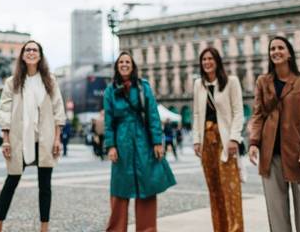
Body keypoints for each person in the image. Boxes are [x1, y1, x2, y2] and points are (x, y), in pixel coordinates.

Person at [249, 36, 300, 232]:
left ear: (289, 53)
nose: (276, 51)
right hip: (271, 154)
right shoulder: (263, 82)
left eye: (281, 48)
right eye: (272, 49)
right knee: (277, 212)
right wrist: (254, 142)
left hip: (299, 153)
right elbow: (257, 114)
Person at [0, 40, 66, 232]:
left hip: (45, 139)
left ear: (40, 55)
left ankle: (44, 228)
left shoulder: (50, 80)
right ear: (23, 55)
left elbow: (58, 109)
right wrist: (5, 140)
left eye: (35, 50)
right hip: (19, 140)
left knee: (45, 186)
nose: (31, 52)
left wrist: (57, 138)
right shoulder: (12, 82)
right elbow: (5, 111)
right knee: (11, 182)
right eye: (28, 50)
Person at [104, 52, 176, 232]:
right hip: (122, 142)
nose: (124, 64)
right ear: (117, 66)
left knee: (147, 187)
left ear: (133, 66)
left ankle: (147, 229)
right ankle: (116, 229)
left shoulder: (144, 87)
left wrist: (157, 142)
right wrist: (111, 145)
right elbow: (108, 120)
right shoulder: (110, 90)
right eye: (121, 62)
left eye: (127, 62)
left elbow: (152, 114)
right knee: (119, 189)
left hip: (143, 140)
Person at [192, 46, 245, 232]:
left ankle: (236, 229)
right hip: (207, 141)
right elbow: (197, 114)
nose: (207, 62)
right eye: (204, 59)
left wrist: (234, 139)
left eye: (210, 59)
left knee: (231, 190)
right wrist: (196, 140)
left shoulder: (231, 82)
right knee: (214, 190)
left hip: (225, 140)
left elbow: (238, 112)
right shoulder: (199, 84)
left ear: (217, 61)